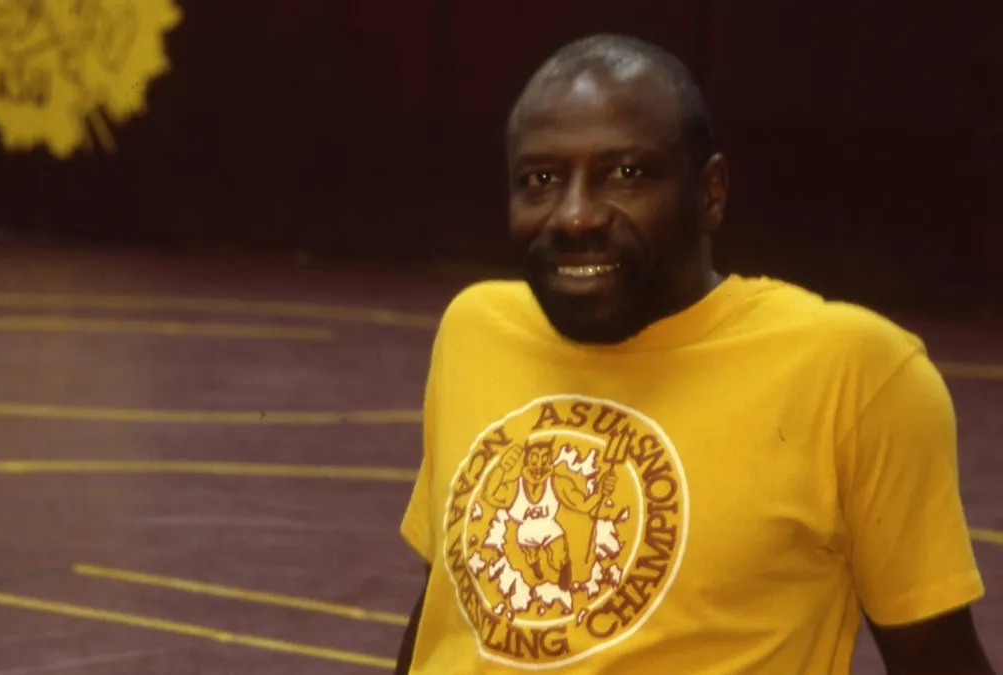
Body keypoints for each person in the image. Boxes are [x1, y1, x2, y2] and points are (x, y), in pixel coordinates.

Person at [393, 33, 993, 675]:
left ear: (710, 193)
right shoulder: (472, 328)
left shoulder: (853, 370)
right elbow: (448, 612)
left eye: (625, 174)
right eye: (541, 179)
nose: (573, 216)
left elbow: (938, 659)